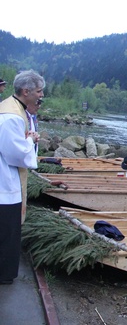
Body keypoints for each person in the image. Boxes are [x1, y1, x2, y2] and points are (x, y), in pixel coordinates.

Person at [0, 70, 44, 285]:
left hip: (5, 181)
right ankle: (4, 275)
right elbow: (17, 155)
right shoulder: (11, 116)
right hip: (5, 184)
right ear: (25, 91)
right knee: (7, 233)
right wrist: (31, 140)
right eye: (38, 91)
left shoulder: (13, 107)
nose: (41, 95)